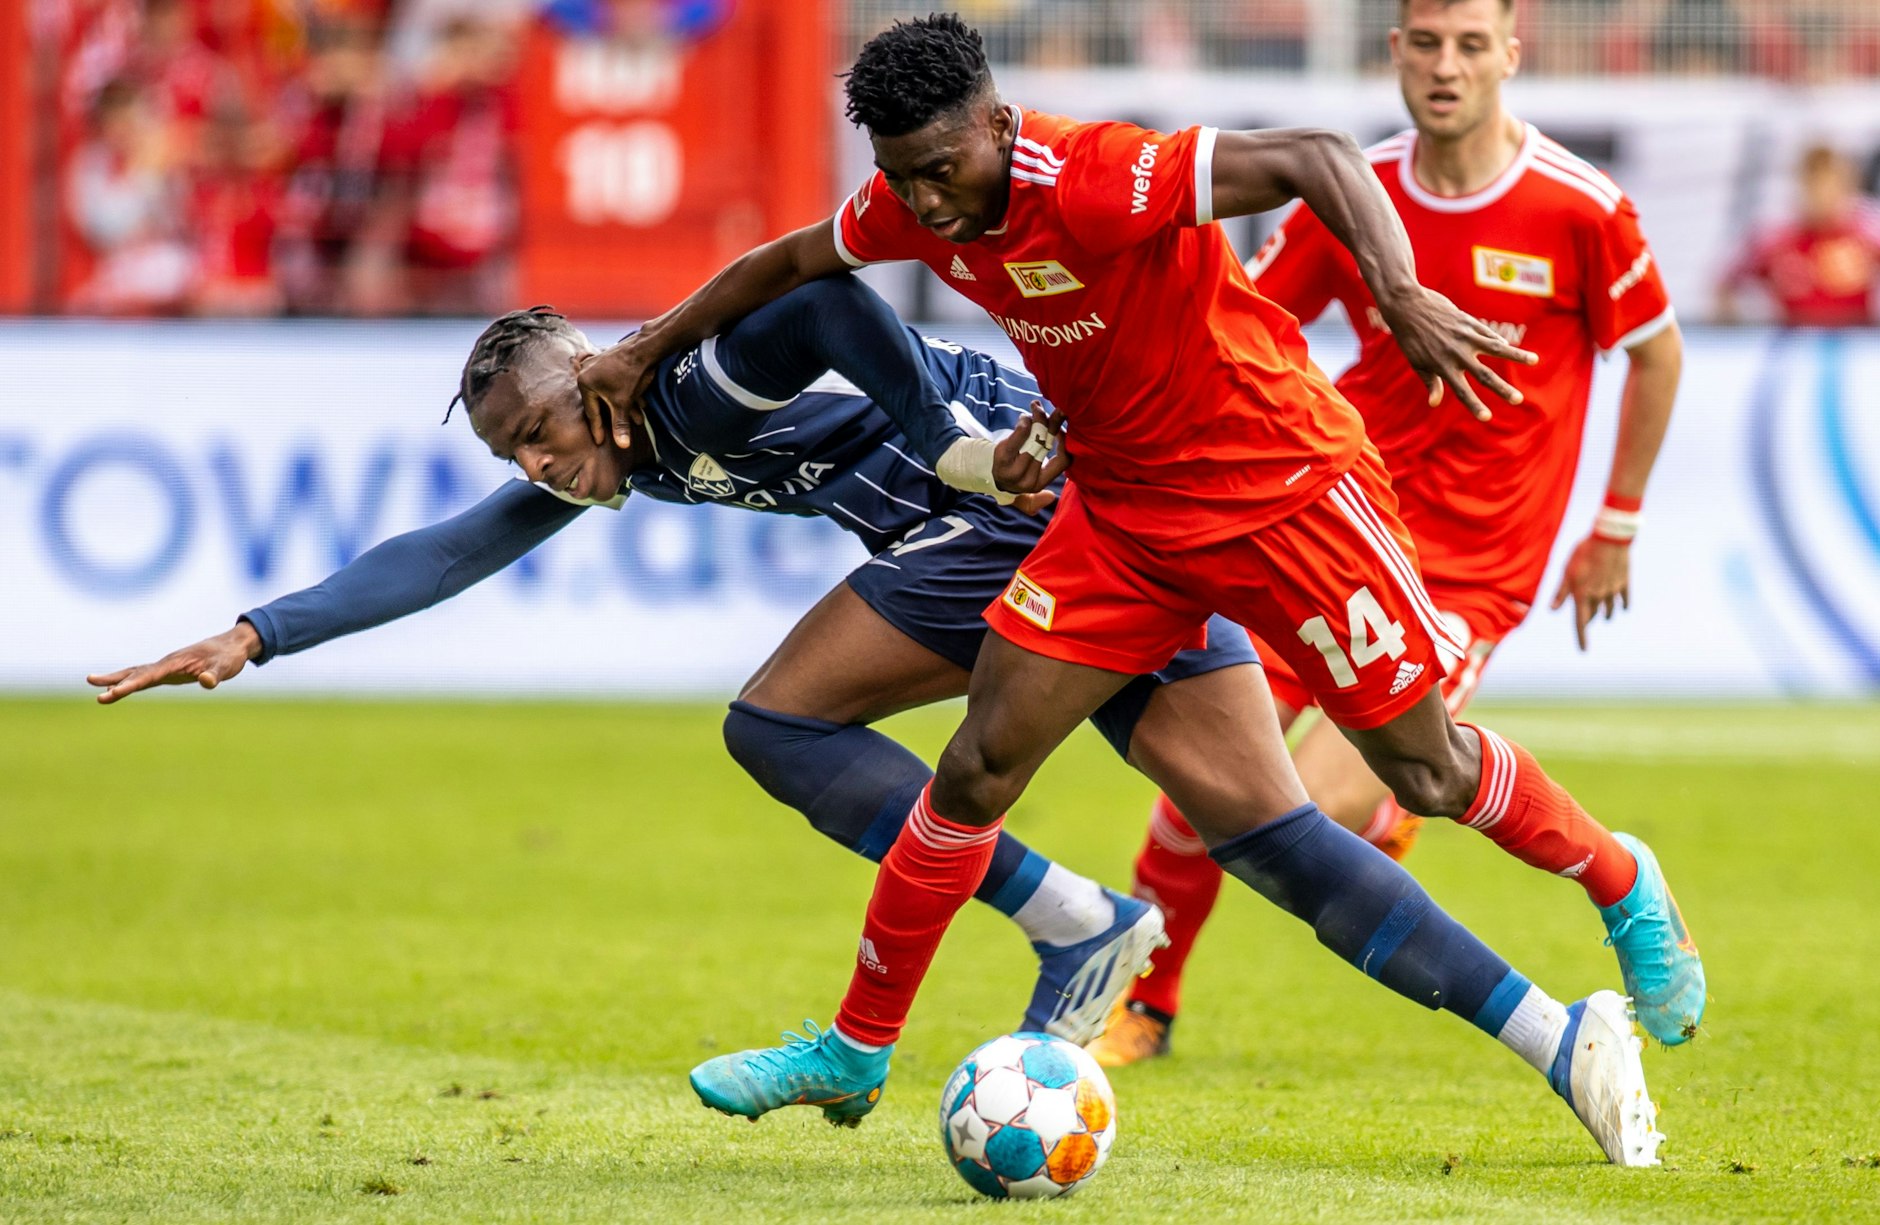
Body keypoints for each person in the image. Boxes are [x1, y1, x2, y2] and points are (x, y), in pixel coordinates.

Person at [577, 13, 1683, 1165]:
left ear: (997, 125)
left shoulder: (1100, 175)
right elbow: (793, 261)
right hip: (1120, 520)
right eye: (903, 179)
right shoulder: (912, 197)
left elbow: (1319, 156)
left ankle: (1615, 888)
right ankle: (854, 1049)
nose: (930, 205)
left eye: (944, 171)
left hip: (1284, 493)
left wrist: (1394, 293)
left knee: (1424, 769)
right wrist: (641, 349)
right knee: (976, 764)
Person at [89, 273, 1279, 1045]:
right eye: (516, 454)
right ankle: (1106, 925)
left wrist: (945, 446)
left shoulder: (690, 383)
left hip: (1017, 512)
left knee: (777, 721)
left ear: (593, 372)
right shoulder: (618, 441)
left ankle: (1070, 917)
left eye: (542, 433)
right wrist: (257, 634)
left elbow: (826, 300)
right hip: (1032, 531)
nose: (536, 468)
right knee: (1269, 828)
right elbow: (452, 552)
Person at [1091, 0, 1691, 1070]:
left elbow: (1654, 354)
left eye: (1469, 44)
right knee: (1201, 778)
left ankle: (1615, 873)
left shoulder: (1579, 209)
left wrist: (1615, 523)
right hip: (1321, 524)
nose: (1445, 66)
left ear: (1511, 53)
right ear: (1396, 54)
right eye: (1425, 43)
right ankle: (1148, 1002)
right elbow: (1243, 326)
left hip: (1468, 568)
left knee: (1299, 808)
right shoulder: (1345, 194)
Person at [1717, 144, 1880, 328]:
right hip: (1792, 342)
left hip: (1859, 344)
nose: (1824, 196)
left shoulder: (1869, 233)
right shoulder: (1773, 239)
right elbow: (1726, 284)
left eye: (1832, 185)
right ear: (1802, 184)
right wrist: (1735, 329)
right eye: (1816, 185)